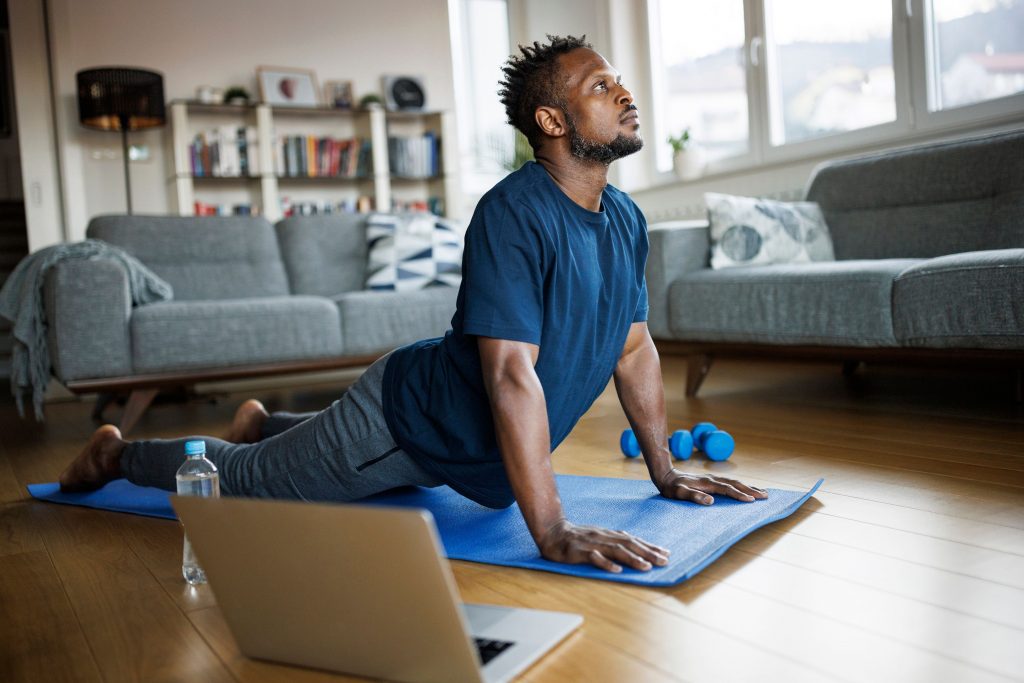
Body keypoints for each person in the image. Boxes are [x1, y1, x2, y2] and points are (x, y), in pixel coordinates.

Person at [60, 35, 767, 574]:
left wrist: (665, 472)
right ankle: (120, 454)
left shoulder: (625, 217)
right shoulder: (513, 213)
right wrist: (550, 529)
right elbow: (511, 376)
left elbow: (634, 347)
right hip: (406, 424)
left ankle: (265, 419)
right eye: (600, 84)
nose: (623, 93)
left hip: (459, 442)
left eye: (618, 81)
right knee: (245, 481)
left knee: (285, 451)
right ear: (552, 119)